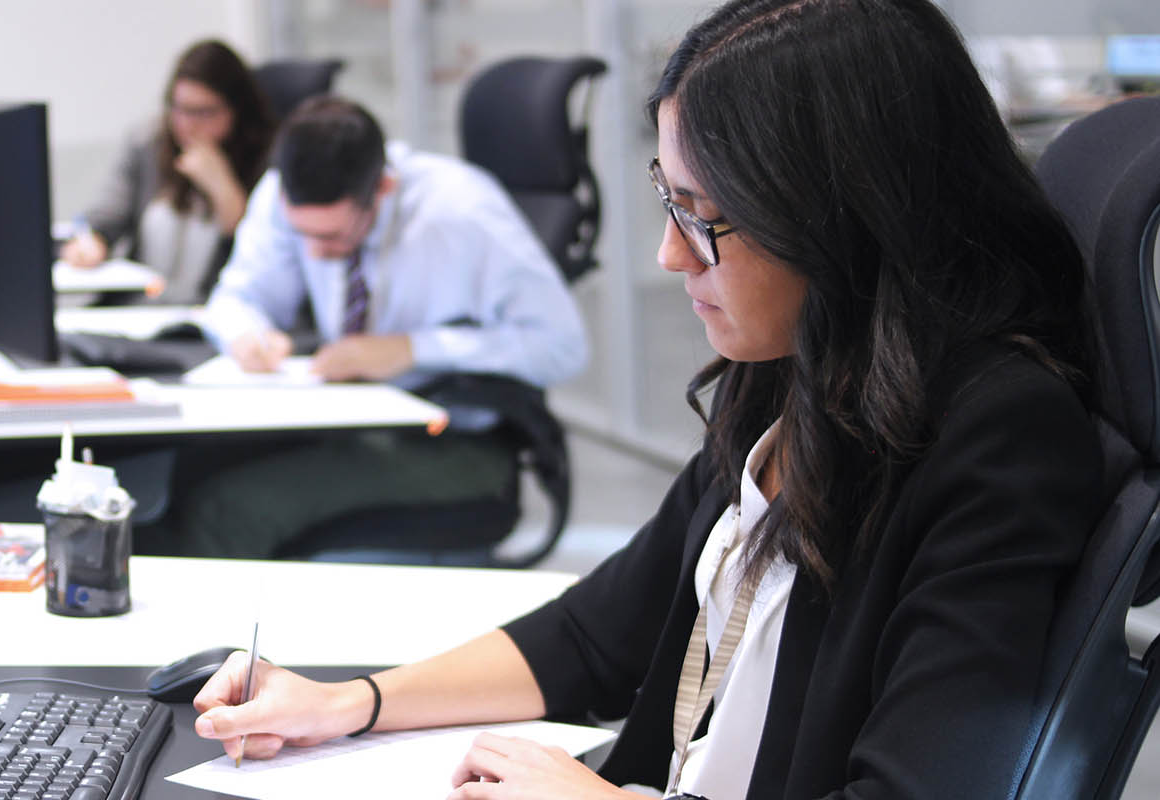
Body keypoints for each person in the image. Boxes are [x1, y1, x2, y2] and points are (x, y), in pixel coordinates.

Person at [185, 1, 1107, 797]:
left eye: (705, 219)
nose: (672, 256)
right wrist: (347, 704)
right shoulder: (792, 373)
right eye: (670, 201)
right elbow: (596, 634)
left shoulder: (994, 434)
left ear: (843, 217)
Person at [156, 95, 587, 559]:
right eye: (303, 235)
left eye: (332, 237)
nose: (315, 253)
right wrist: (248, 334)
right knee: (181, 470)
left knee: (229, 508)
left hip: (455, 437)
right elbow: (237, 297)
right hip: (350, 419)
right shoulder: (286, 194)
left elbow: (562, 345)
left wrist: (413, 349)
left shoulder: (462, 214)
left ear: (382, 188)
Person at [61, 40, 275, 305]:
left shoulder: (268, 158)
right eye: (180, 108)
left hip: (208, 313)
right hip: (139, 309)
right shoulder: (148, 144)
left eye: (204, 112)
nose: (188, 124)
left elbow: (258, 253)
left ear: (237, 111)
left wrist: (221, 185)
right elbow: (107, 215)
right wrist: (92, 239)